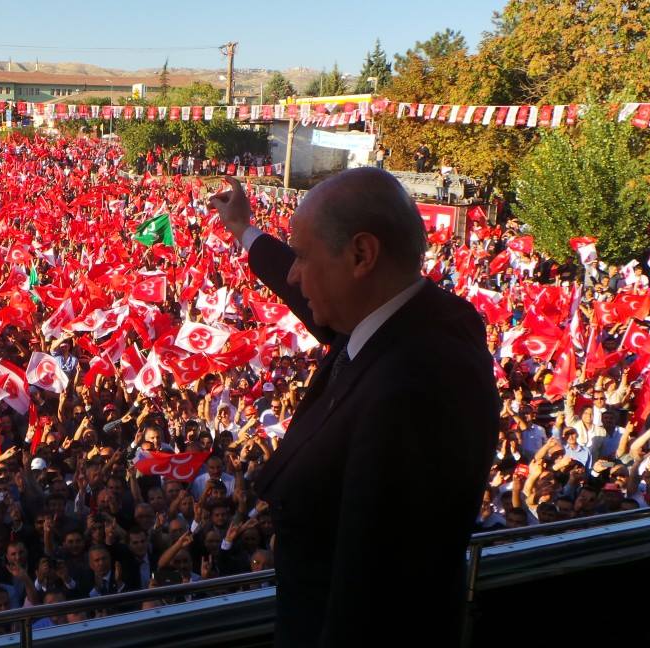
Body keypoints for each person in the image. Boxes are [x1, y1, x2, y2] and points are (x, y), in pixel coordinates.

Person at [210, 171, 499, 647]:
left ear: (362, 255)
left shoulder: (417, 383)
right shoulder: (407, 323)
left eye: (302, 254)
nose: (294, 275)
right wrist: (244, 231)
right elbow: (314, 303)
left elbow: (373, 602)